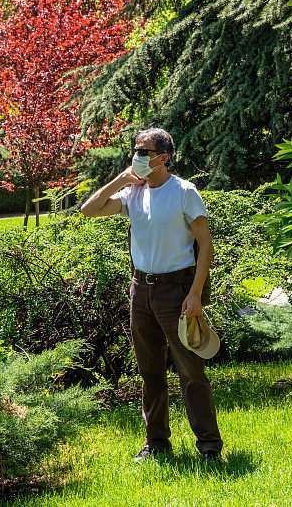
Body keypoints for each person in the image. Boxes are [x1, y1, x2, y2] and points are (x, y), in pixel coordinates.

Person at [80, 128, 224, 462]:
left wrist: (195, 294)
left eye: (144, 152)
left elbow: (206, 245)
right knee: (150, 373)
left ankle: (209, 447)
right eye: (135, 151)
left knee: (191, 372)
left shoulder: (185, 192)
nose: (137, 157)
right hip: (140, 289)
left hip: (177, 290)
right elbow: (88, 210)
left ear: (163, 157)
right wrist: (120, 181)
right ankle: (157, 443)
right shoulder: (133, 193)